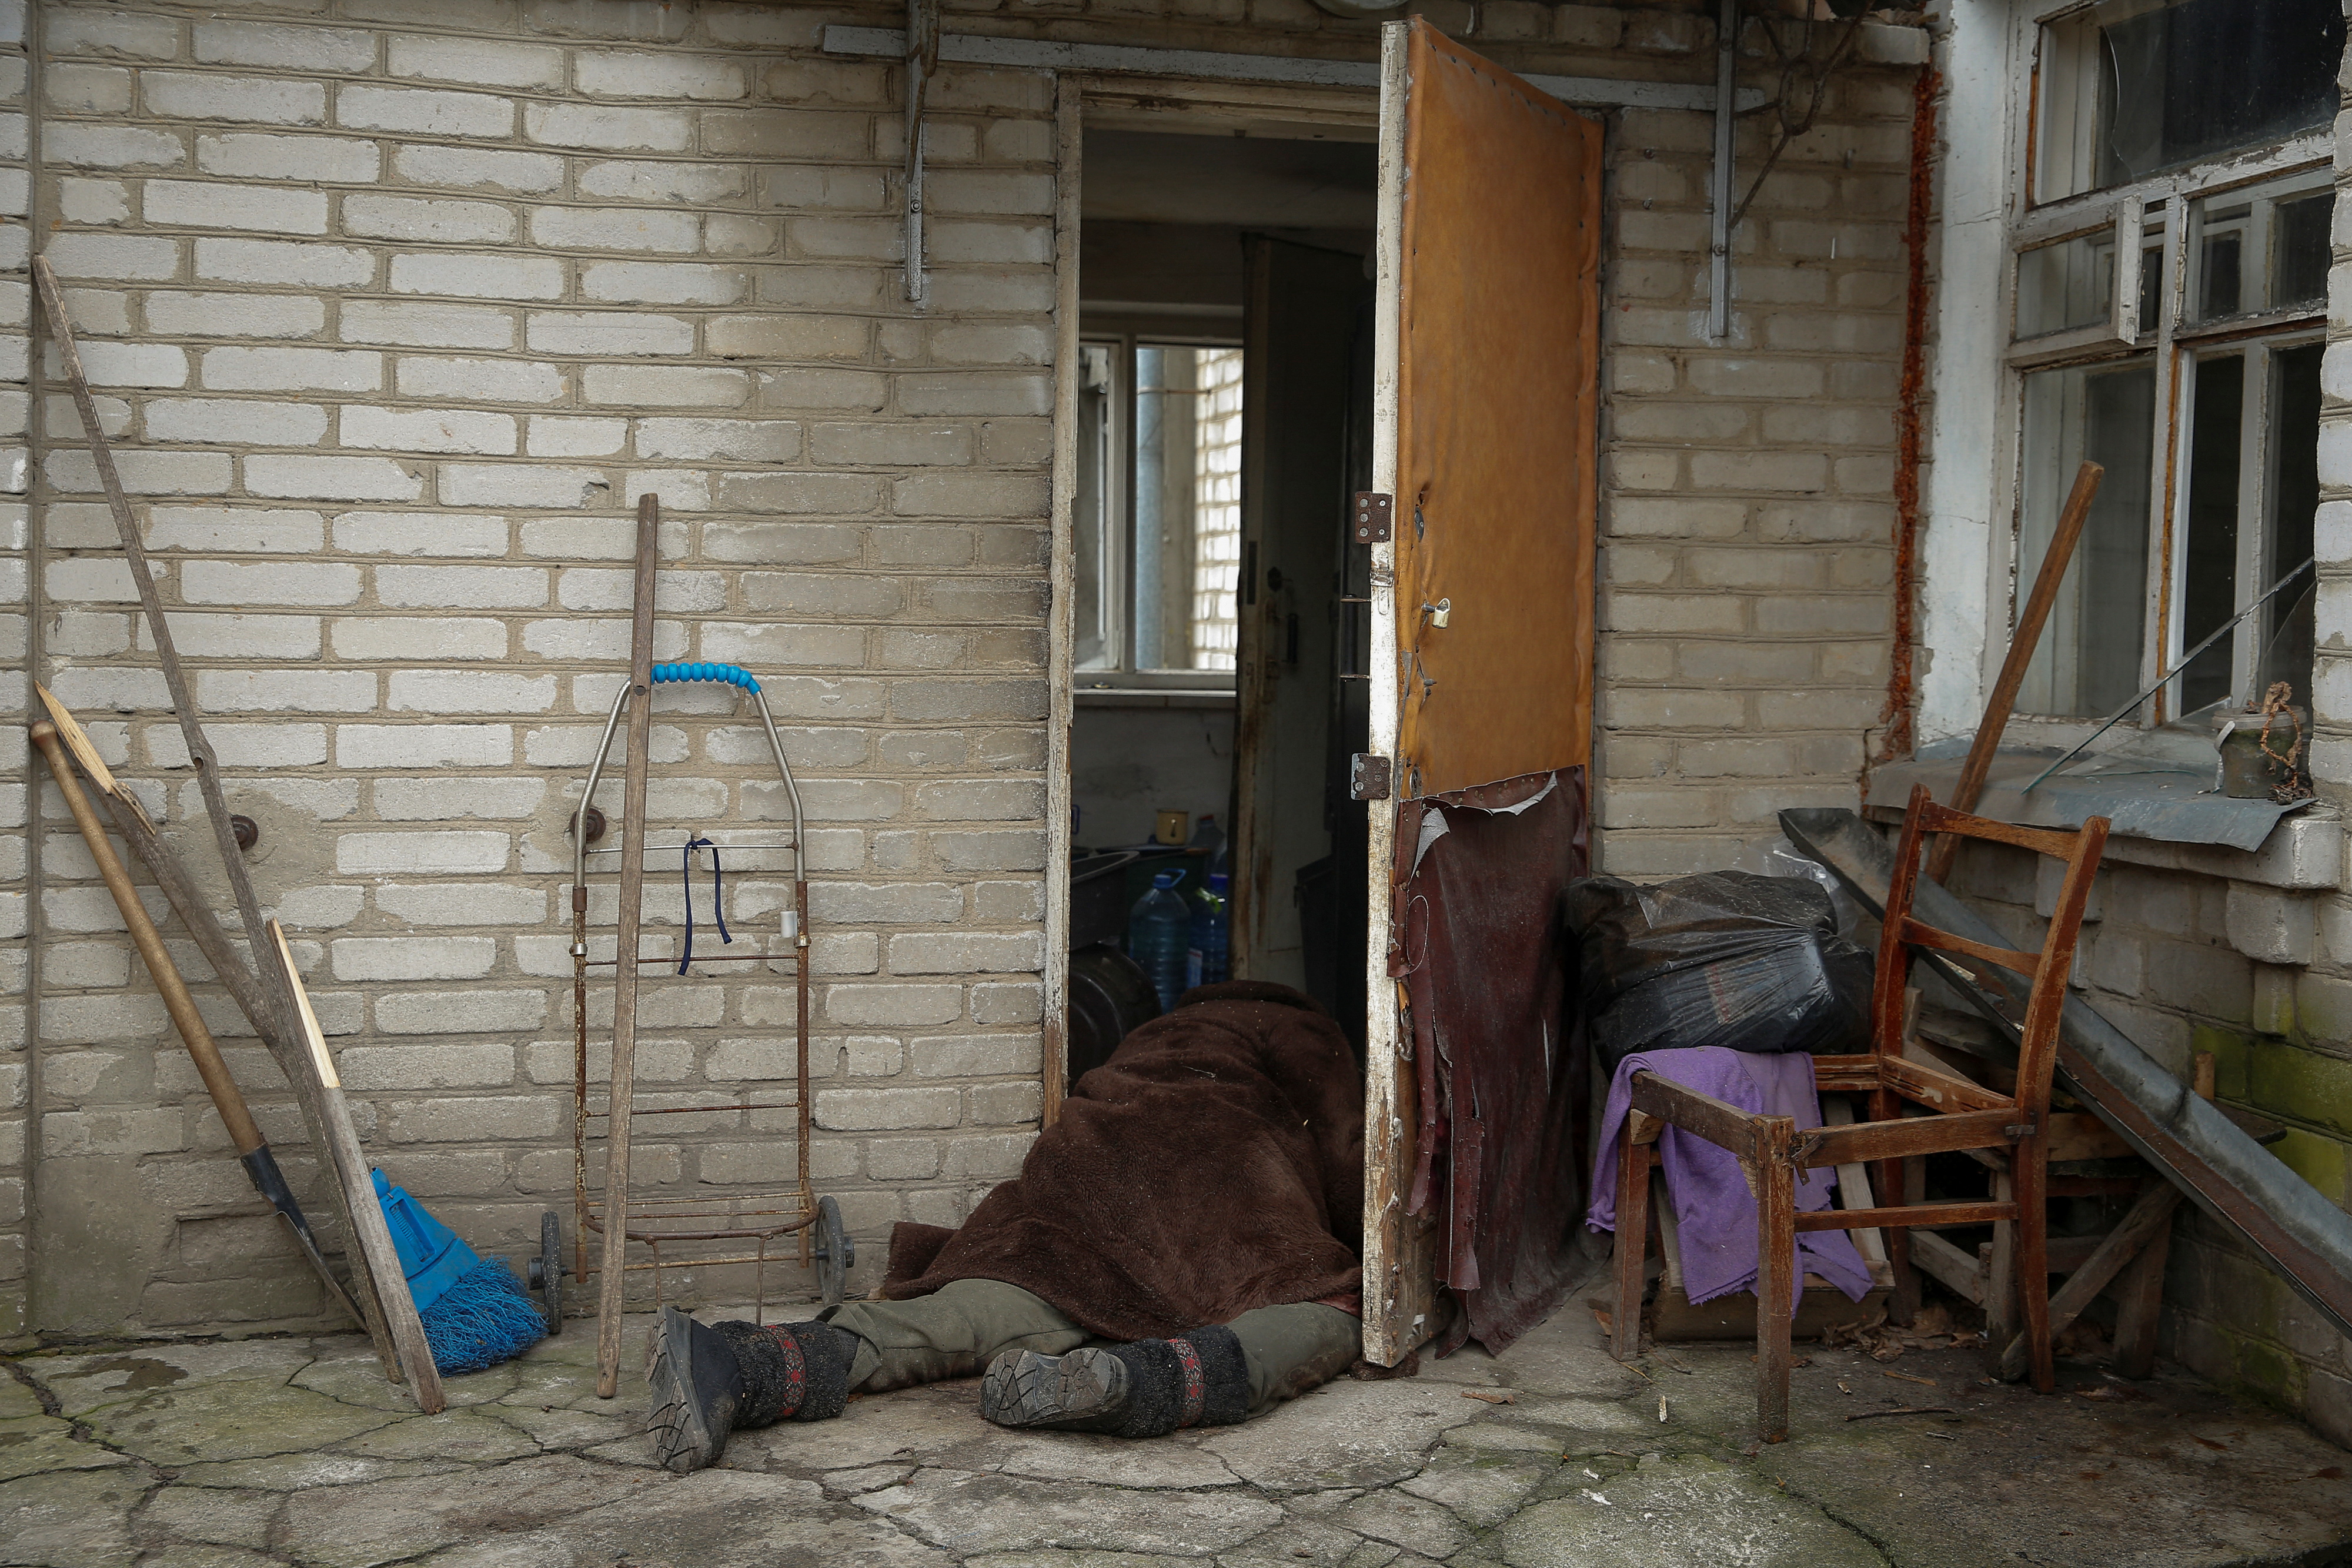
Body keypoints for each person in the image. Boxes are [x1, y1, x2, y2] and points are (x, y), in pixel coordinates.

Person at [644, 981, 1366, 1470]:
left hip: (1083, 1173)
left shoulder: (1157, 1031)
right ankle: (1136, 1383)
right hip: (1220, 1178)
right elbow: (1352, 1154)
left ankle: (742, 1365)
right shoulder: (1302, 1027)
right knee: (1330, 1304)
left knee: (1006, 1300)